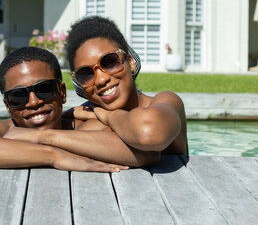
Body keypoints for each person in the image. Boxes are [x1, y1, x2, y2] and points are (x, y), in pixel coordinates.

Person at [0, 47, 158, 172]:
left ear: (62, 92)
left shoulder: (84, 125)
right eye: (18, 96)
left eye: (44, 89)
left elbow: (146, 153)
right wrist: (53, 155)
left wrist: (44, 139)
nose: (33, 102)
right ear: (7, 106)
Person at [63, 16, 188, 155]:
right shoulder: (82, 117)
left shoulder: (168, 102)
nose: (101, 80)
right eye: (85, 74)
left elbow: (148, 133)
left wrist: (106, 116)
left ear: (131, 62)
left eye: (109, 62)